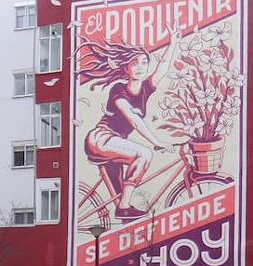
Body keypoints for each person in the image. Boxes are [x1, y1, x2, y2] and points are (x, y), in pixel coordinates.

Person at [78, 28, 182, 220]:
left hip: (116, 144)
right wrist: (156, 141)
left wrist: (173, 42)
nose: (140, 67)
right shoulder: (119, 90)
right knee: (144, 154)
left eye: (144, 62)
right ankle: (124, 207)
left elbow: (162, 69)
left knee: (120, 202)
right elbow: (134, 120)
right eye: (134, 63)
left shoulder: (145, 89)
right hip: (101, 139)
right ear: (126, 68)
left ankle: (123, 210)